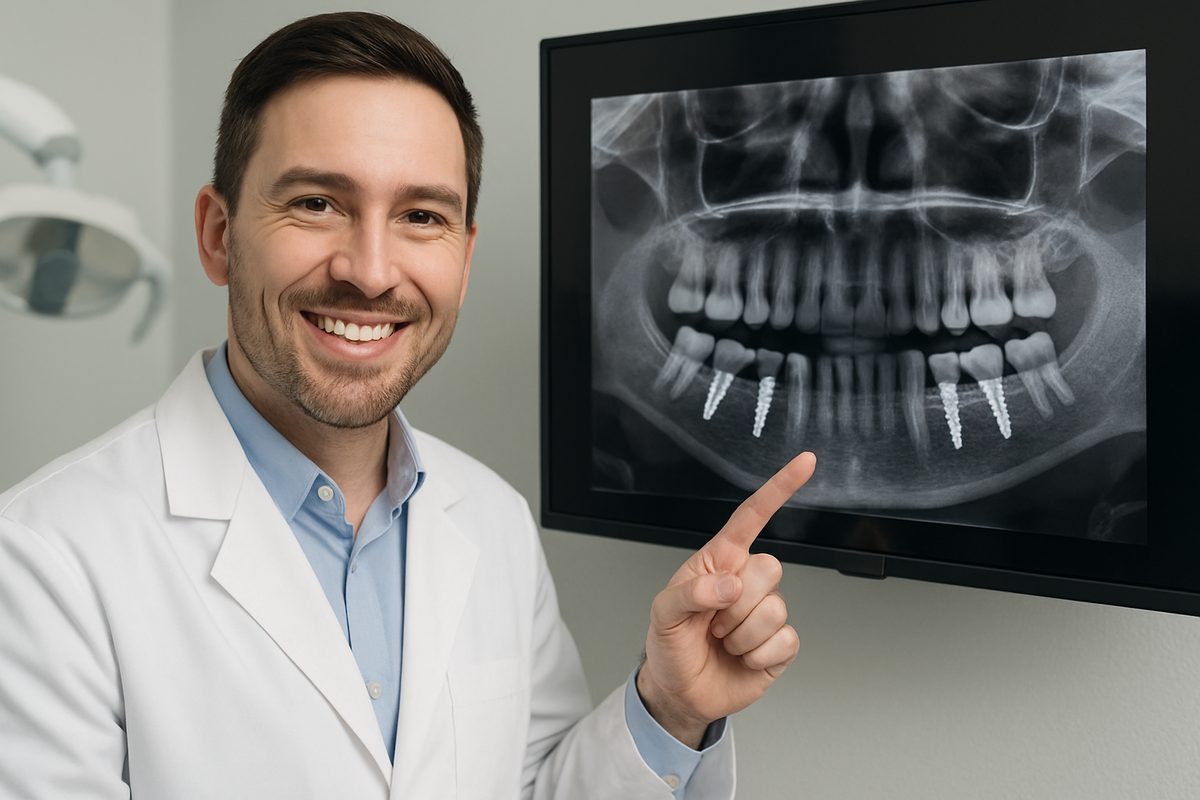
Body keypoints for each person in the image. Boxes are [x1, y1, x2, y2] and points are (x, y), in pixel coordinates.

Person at [0, 12, 815, 799]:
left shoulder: (492, 522)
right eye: (316, 203)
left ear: (464, 256)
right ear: (218, 235)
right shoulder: (42, 560)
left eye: (422, 216)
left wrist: (670, 709)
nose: (370, 271)